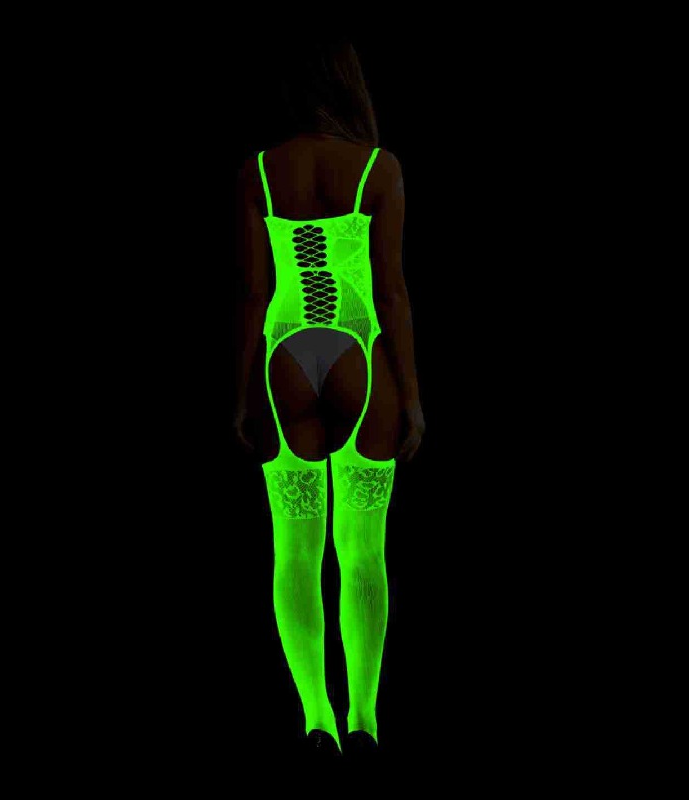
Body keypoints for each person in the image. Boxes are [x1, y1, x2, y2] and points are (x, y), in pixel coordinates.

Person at [232, 38, 425, 761]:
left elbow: (254, 294)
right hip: (360, 352)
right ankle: (365, 720)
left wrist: (242, 394)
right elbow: (392, 293)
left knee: (294, 548)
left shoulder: (261, 169)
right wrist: (413, 399)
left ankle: (317, 719)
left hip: (284, 355)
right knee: (364, 550)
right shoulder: (378, 167)